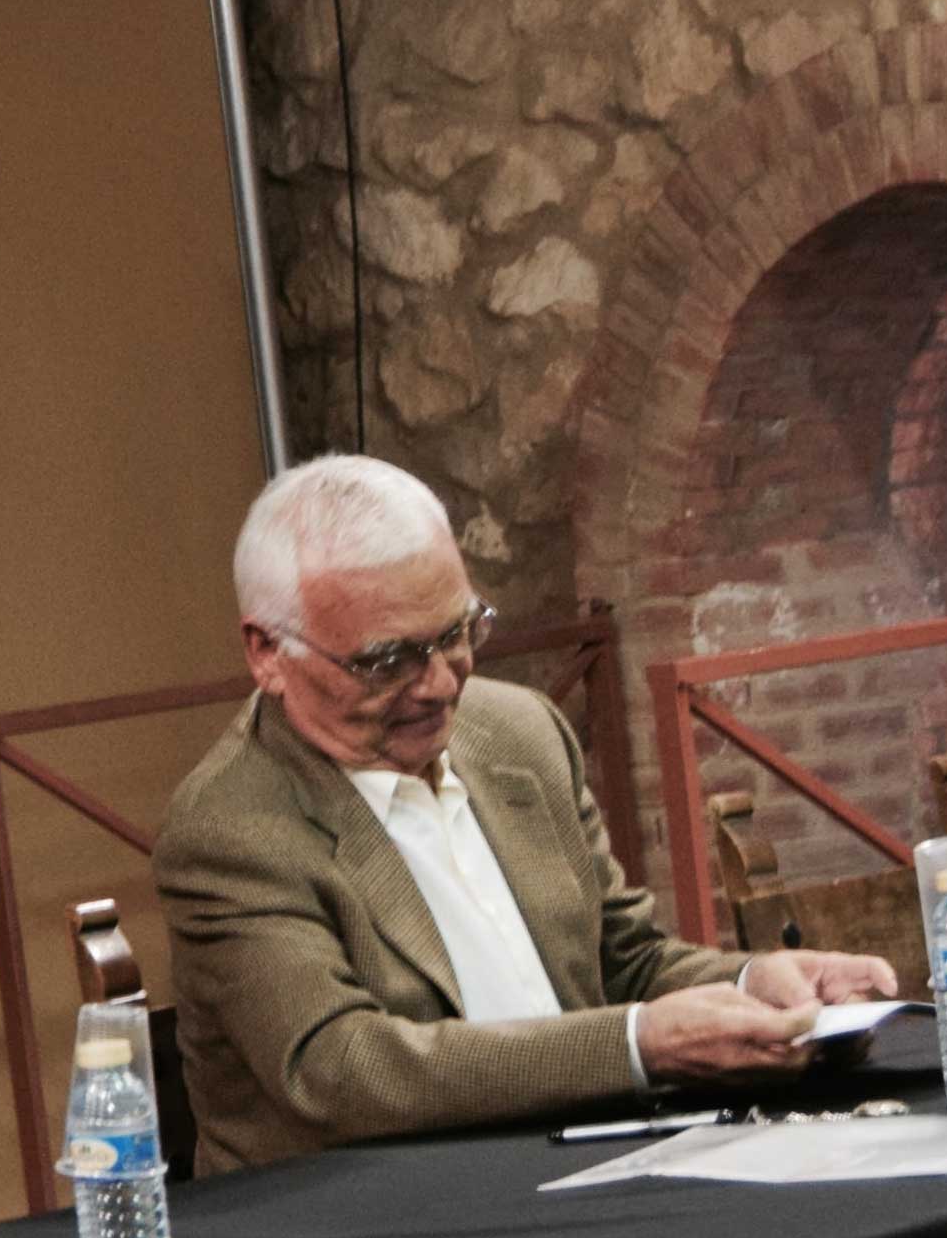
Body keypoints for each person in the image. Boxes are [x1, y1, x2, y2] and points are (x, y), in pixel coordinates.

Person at [155, 455, 897, 1173]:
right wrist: (636, 1046)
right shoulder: (232, 829)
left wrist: (754, 987)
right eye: (388, 660)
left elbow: (621, 960)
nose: (440, 684)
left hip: (596, 1164)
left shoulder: (515, 732)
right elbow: (342, 1073)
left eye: (455, 634)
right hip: (372, 1230)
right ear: (267, 653)